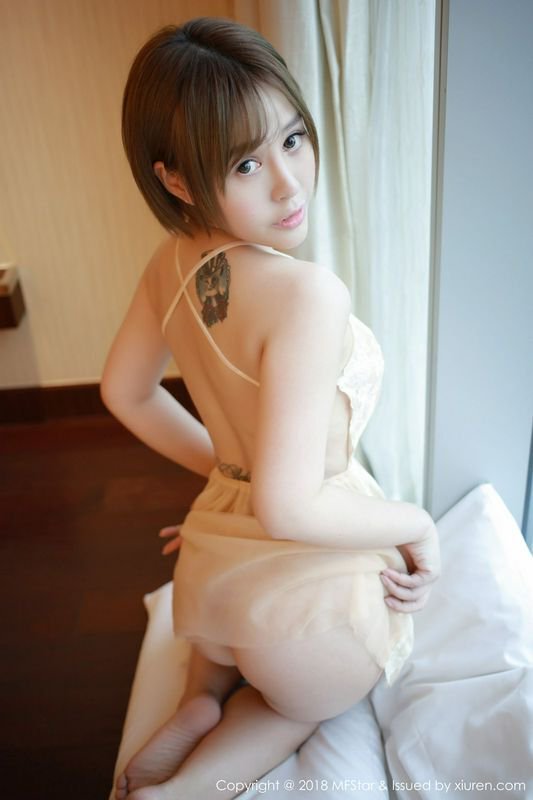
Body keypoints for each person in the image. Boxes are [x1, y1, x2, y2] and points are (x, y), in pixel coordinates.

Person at [101, 17, 440, 800]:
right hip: (302, 617)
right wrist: (417, 524)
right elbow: (290, 508)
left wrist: (229, 471)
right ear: (176, 181)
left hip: (214, 574)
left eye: (292, 139)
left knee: (234, 653)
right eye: (246, 163)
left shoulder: (169, 264)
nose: (289, 184)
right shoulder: (305, 293)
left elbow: (124, 393)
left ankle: (201, 696)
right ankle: (182, 790)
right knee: (298, 706)